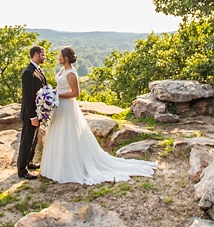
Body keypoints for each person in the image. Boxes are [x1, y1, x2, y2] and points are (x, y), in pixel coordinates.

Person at [40, 46, 157, 184]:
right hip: (59, 106)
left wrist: (58, 95)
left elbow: (75, 93)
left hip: (67, 107)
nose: (58, 57)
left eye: (60, 55)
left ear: (66, 58)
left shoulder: (71, 73)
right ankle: (57, 166)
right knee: (59, 134)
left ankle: (70, 168)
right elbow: (59, 87)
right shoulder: (62, 70)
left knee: (68, 135)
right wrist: (50, 95)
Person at [17, 45, 46, 179]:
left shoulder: (38, 70)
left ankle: (29, 162)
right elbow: (28, 96)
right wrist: (32, 116)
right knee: (26, 141)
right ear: (36, 54)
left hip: (38, 113)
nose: (44, 57)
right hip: (31, 114)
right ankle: (22, 170)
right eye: (43, 54)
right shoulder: (28, 72)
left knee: (33, 140)